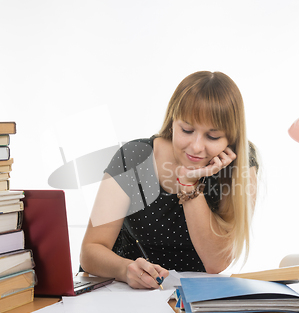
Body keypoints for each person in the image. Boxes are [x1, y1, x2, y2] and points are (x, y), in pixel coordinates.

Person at [80, 71, 259, 289]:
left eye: (212, 137)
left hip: (193, 298)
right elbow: (90, 251)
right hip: (124, 291)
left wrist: (188, 183)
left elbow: (216, 263)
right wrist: (124, 270)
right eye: (187, 129)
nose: (195, 147)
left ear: (231, 138)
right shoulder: (134, 157)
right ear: (173, 121)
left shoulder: (240, 163)